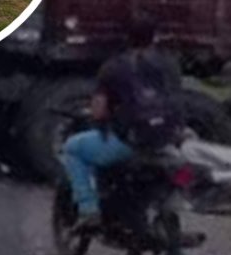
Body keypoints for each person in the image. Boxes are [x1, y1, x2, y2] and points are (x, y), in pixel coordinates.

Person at [61, 16, 183, 229]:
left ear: (127, 38)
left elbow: (99, 112)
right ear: (155, 38)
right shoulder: (169, 65)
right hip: (166, 141)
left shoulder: (114, 67)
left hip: (129, 143)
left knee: (72, 148)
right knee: (181, 173)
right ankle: (173, 212)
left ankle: (88, 210)